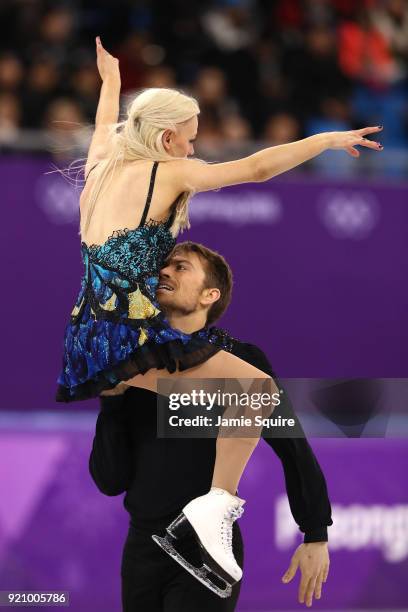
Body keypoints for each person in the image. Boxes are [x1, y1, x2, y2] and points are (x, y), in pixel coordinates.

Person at [54, 37, 380, 594]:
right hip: (125, 335)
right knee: (253, 392)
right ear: (164, 138)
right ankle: (216, 506)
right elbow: (254, 169)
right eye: (190, 140)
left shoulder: (104, 167)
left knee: (248, 391)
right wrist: (323, 139)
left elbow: (105, 124)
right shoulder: (164, 173)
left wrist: (111, 82)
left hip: (92, 335)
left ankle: (214, 506)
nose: (192, 149)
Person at [89, 240, 332, 611]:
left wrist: (315, 534)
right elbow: (110, 481)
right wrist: (112, 402)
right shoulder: (135, 363)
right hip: (140, 551)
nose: (165, 271)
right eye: (164, 266)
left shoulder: (242, 362)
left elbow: (292, 446)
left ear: (210, 294)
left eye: (181, 267)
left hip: (205, 551)